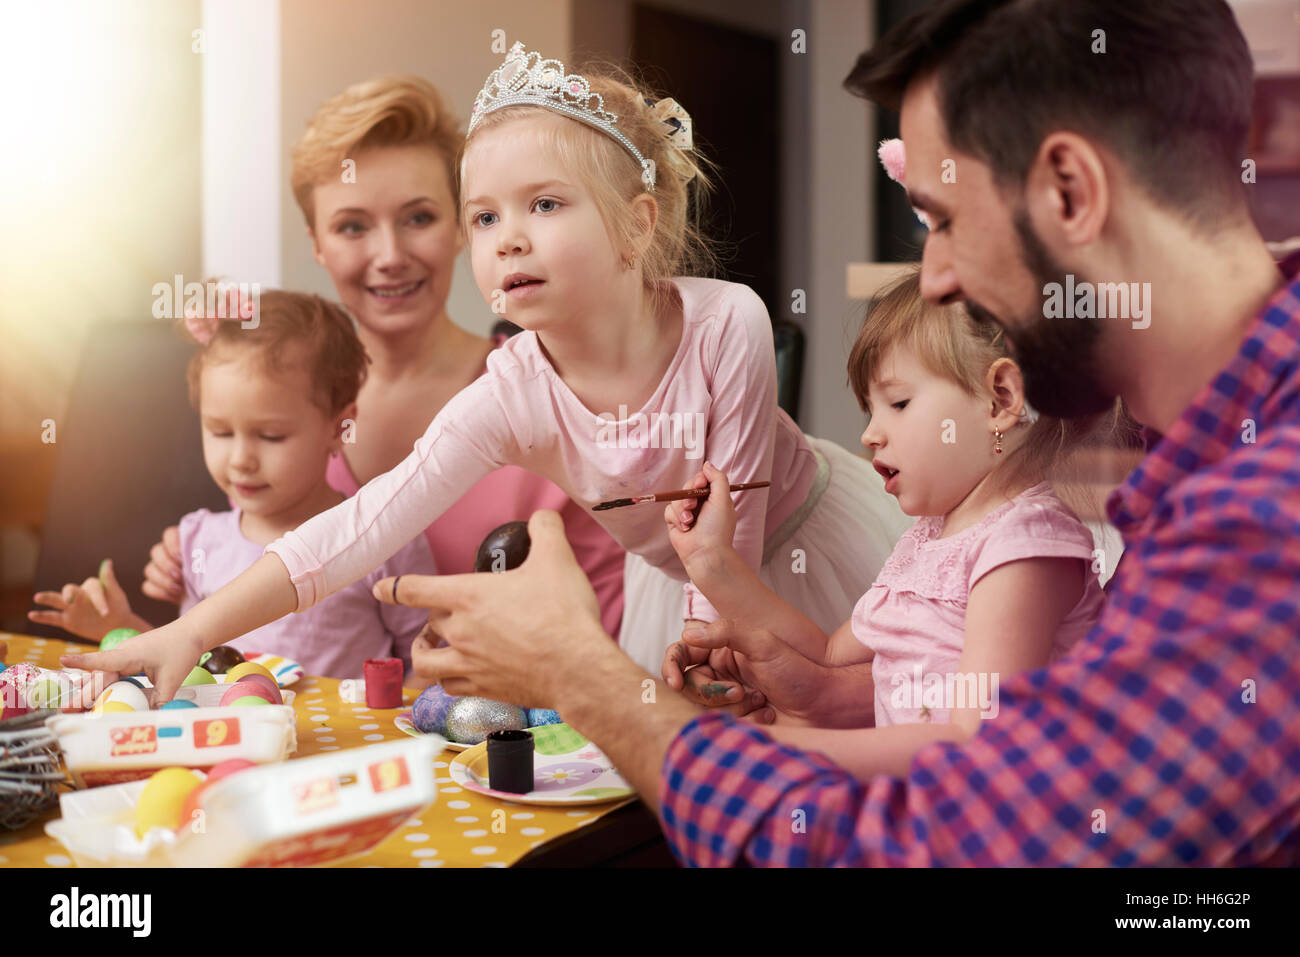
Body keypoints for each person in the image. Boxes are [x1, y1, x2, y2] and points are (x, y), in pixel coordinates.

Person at [336, 0, 1298, 867]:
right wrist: (818, 693)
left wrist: (584, 675)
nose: (936, 280)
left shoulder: (1268, 506)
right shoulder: (1204, 457)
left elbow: (953, 842)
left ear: (1072, 192)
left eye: (943, 221)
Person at [64, 42, 908, 694]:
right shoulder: (509, 395)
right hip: (685, 591)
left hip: (799, 556)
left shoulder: (729, 322)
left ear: (636, 223)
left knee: (860, 730)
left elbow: (736, 542)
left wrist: (707, 638)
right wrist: (189, 630)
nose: (507, 235)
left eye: (544, 204)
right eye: (486, 215)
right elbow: (357, 529)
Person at [138, 74, 627, 641]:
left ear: (463, 226)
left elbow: (613, 636)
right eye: (352, 227)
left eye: (419, 218)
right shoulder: (275, 407)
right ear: (317, 242)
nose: (390, 256)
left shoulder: (548, 394)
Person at [660, 269, 1110, 778]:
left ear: (1000, 400)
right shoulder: (929, 539)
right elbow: (828, 653)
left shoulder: (1025, 549)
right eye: (869, 410)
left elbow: (973, 741)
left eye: (898, 403)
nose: (871, 433)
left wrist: (777, 753)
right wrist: (712, 562)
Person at [34, 287, 434, 682]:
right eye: (220, 432)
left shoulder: (380, 539)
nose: (241, 459)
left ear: (337, 426)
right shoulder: (198, 540)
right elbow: (189, 663)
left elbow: (427, 661)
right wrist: (118, 625)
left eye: (271, 436)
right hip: (225, 738)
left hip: (342, 742)